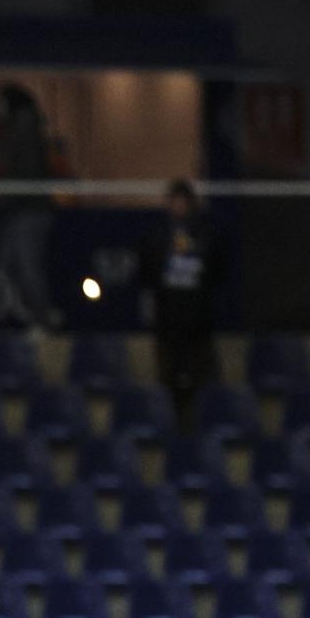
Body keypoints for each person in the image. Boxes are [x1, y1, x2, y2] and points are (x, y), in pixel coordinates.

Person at [141, 180, 217, 433]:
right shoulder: (159, 235)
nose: (179, 206)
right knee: (169, 377)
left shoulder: (205, 234)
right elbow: (149, 271)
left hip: (197, 321)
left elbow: (216, 272)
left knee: (200, 378)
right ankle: (170, 426)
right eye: (174, 201)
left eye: (183, 201)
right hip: (168, 321)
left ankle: (201, 425)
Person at [0, 83, 57, 333]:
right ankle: (37, 315)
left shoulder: (26, 128)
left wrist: (10, 198)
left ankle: (43, 318)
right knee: (7, 262)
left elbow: (26, 173)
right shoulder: (14, 129)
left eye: (0, 103)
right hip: (17, 212)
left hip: (31, 212)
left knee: (28, 267)